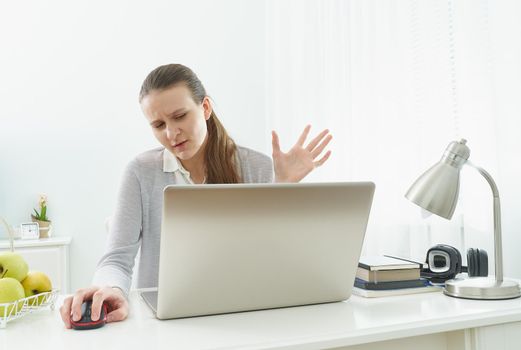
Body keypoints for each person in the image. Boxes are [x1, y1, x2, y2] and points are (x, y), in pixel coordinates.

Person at [59, 64, 332, 328]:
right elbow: (116, 259)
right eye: (158, 124)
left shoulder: (258, 167)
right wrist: (110, 289)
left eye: (179, 116)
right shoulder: (140, 172)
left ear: (205, 108)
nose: (170, 133)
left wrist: (283, 188)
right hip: (165, 324)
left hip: (245, 316)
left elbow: (278, 261)